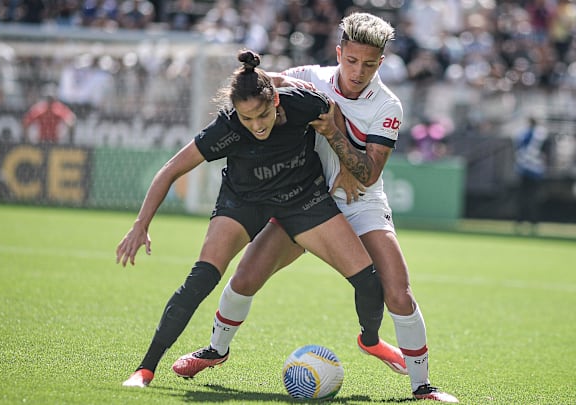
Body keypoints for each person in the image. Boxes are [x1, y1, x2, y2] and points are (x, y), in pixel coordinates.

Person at [174, 13, 459, 403]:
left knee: (398, 293)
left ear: (382, 62)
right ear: (340, 52)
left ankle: (422, 386)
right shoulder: (311, 75)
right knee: (245, 277)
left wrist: (336, 143)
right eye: (352, 60)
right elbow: (262, 86)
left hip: (360, 202)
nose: (358, 72)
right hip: (303, 197)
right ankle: (215, 350)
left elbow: (369, 174)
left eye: (370, 64)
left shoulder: (387, 106)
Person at [118, 50, 386, 390]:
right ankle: (145, 370)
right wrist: (141, 224)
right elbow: (171, 169)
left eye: (263, 115)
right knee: (201, 278)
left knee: (368, 281)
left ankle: (370, 339)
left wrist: (347, 165)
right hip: (243, 201)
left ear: (275, 100)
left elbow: (330, 112)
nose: (257, 126)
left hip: (302, 198)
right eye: (247, 120)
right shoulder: (226, 127)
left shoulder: (301, 101)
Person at [514, 116, 548, 235]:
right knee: (533, 198)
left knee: (524, 198)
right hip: (536, 171)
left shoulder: (524, 134)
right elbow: (545, 154)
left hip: (525, 170)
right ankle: (533, 223)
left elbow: (518, 150)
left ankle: (521, 222)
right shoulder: (541, 135)